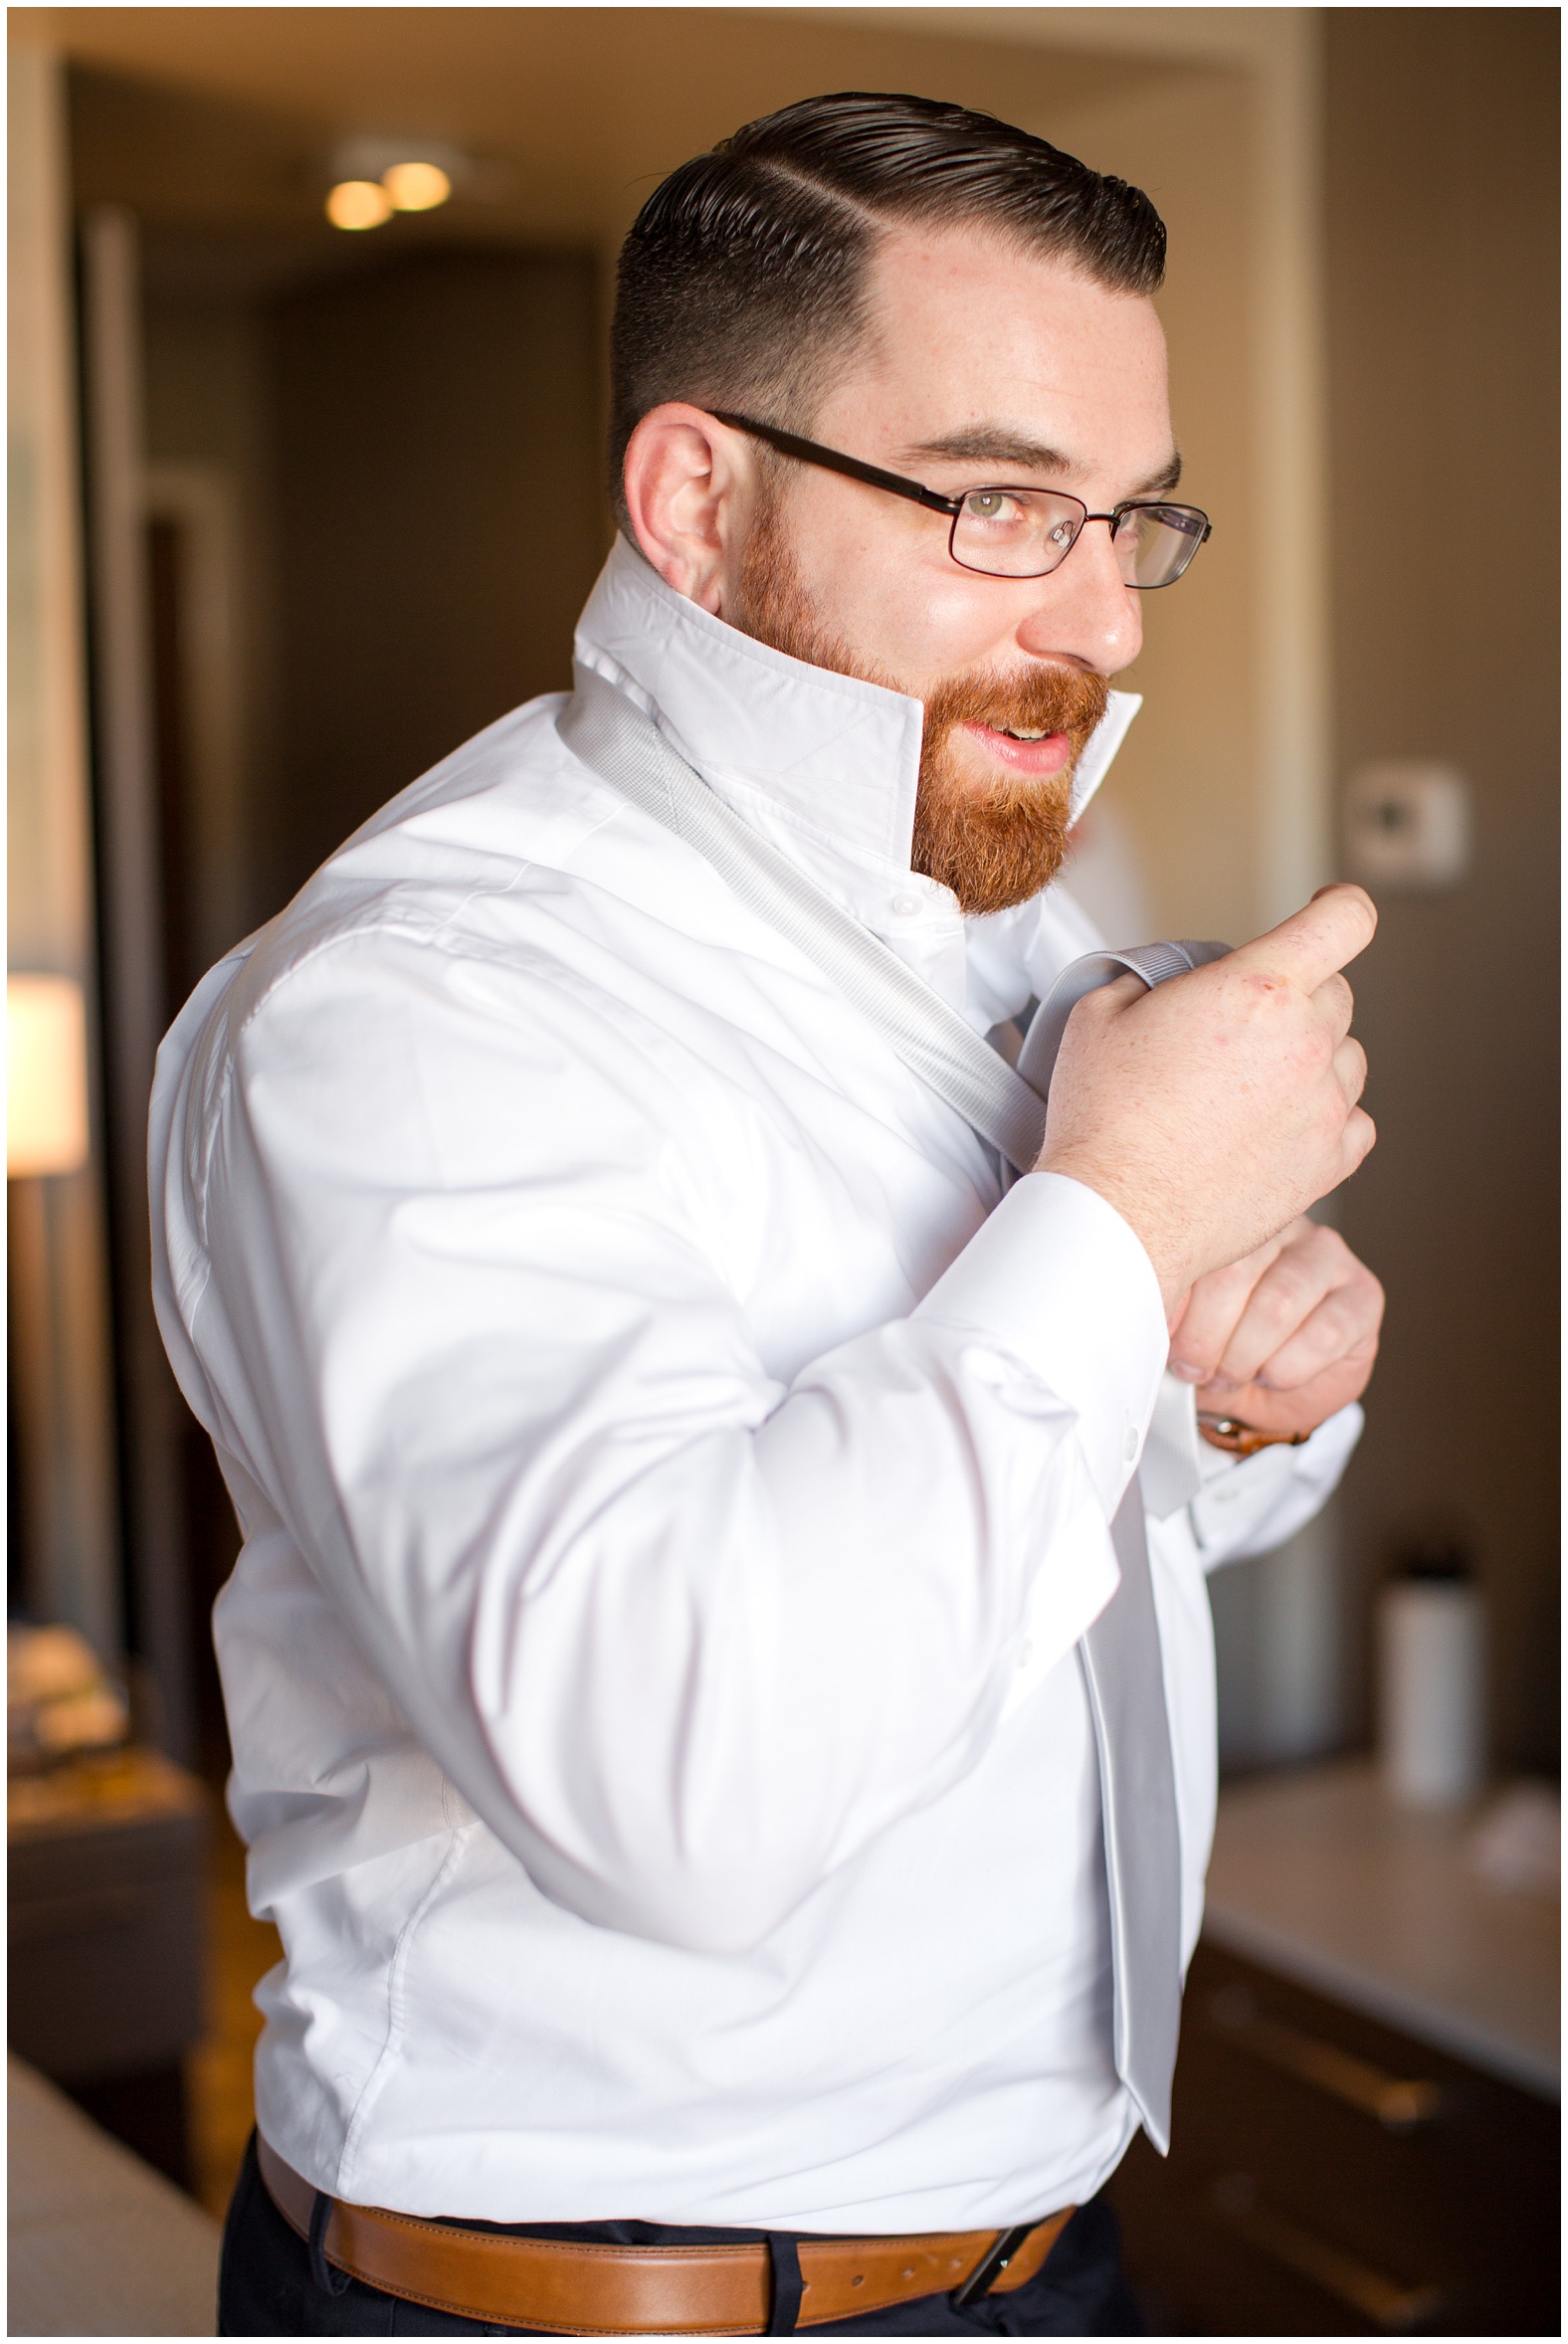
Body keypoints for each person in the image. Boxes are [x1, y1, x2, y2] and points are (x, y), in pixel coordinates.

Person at [151, 93, 1383, 2338]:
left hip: (1044, 2243)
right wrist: (1113, 1214)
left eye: (1130, 518)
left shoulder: (960, 875)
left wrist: (1219, 1392)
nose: (1103, 620)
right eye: (1006, 503)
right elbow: (682, 1780)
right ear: (697, 497)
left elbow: (1016, 1557)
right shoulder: (415, 1012)